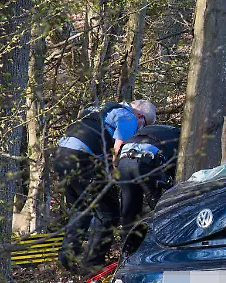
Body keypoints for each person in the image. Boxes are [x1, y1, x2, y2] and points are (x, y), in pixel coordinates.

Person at [53, 99, 156, 273]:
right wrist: (116, 176)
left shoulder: (102, 109)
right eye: (144, 124)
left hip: (61, 155)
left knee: (82, 208)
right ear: (140, 116)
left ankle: (67, 258)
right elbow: (119, 149)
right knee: (109, 212)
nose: (140, 129)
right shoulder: (129, 118)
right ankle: (92, 265)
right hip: (83, 159)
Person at [116, 123, 180, 258]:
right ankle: (163, 245)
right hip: (146, 160)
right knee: (158, 207)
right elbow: (176, 168)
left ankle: (126, 252)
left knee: (129, 210)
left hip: (124, 159)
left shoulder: (151, 130)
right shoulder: (180, 136)